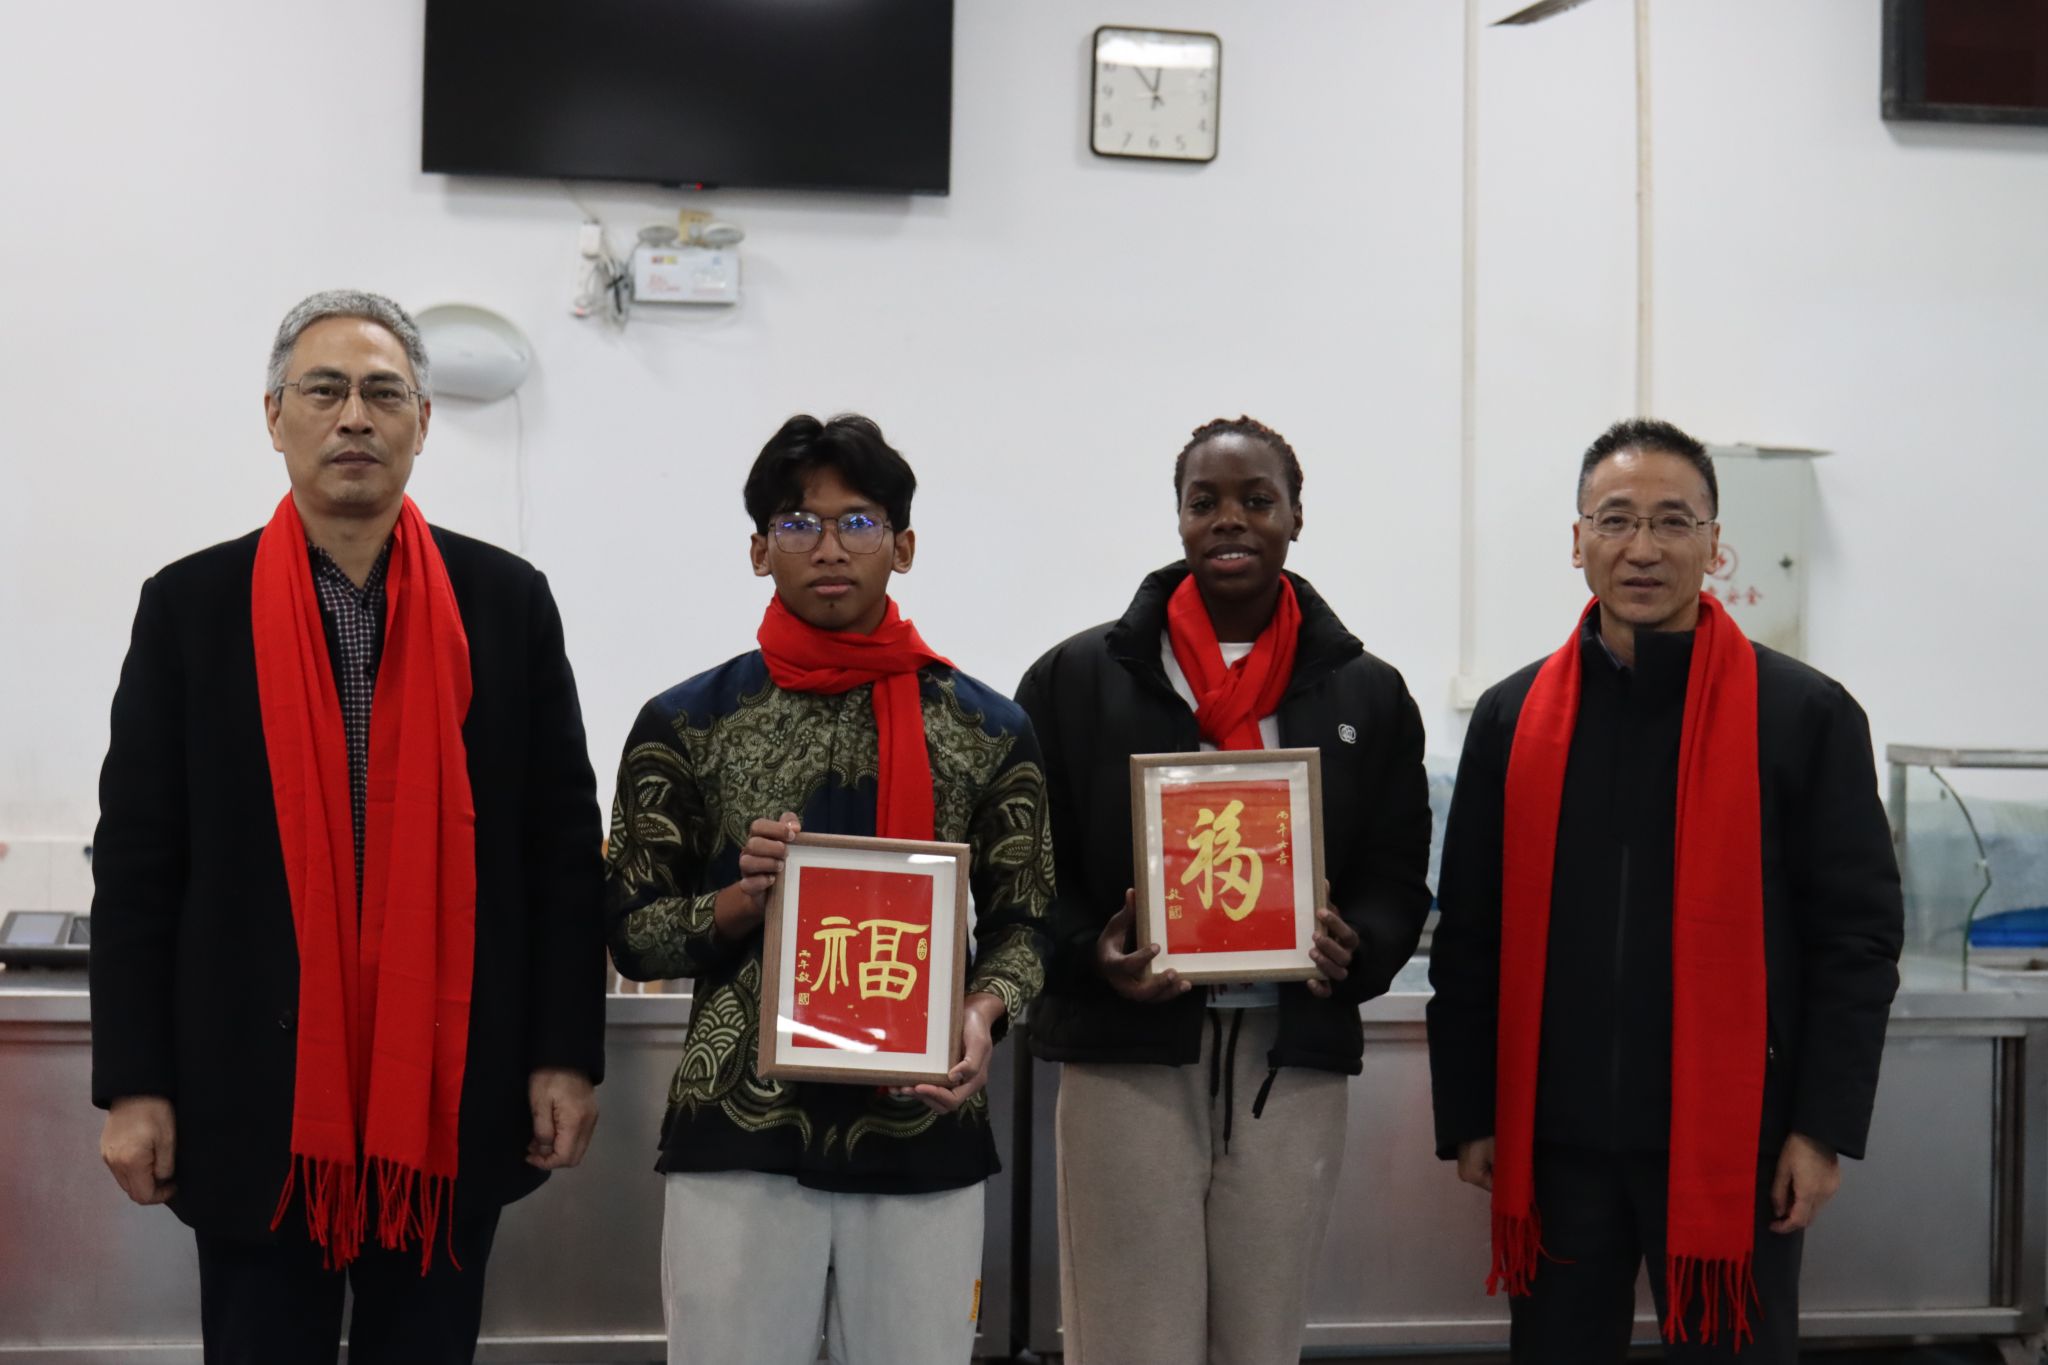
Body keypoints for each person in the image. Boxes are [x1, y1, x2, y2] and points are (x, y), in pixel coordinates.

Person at [90, 290, 605, 1364]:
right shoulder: (191, 607)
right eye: (324, 390)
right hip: (251, 1093)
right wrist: (135, 1084)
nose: (354, 417)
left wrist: (565, 1055)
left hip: (449, 1088)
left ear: (423, 420)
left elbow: (560, 853)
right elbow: (139, 864)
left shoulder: (505, 603)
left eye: (383, 393)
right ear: (274, 417)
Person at [1426, 418, 1904, 1362]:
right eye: (1615, 519)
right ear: (1578, 541)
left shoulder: (1802, 715)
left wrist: (1821, 1129)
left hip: (1739, 1142)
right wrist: (1470, 1113)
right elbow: (1471, 930)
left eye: (1673, 521)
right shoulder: (1513, 718)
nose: (1642, 547)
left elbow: (1856, 939)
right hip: (1556, 1142)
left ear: (1714, 543)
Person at [603, 413, 1052, 1365]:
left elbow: (1028, 923)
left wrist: (982, 1014)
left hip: (924, 1126)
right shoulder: (688, 722)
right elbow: (632, 930)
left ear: (904, 545)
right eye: (799, 523)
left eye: (858, 521)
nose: (831, 546)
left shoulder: (986, 728)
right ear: (759, 549)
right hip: (739, 1134)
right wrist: (738, 901)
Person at [1015, 416, 1434, 1365]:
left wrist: (1357, 945)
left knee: (1261, 1338)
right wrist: (1092, 954)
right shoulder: (1078, 678)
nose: (1230, 519)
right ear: (1178, 518)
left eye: (1257, 499)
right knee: (1129, 1339)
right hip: (1127, 1056)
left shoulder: (1367, 693)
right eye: (1204, 501)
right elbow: (1028, 870)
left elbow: (1396, 872)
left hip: (1290, 1056)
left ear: (1295, 517)